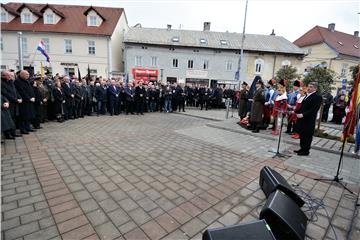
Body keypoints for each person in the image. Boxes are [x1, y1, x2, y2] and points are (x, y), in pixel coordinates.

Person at [294, 82, 323, 156]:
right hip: (302, 119)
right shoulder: (307, 95)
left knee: (307, 136)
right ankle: (302, 148)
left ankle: (306, 151)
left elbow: (314, 109)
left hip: (309, 120)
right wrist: (295, 111)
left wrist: (303, 114)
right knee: (302, 134)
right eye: (308, 86)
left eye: (311, 87)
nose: (308, 88)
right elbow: (303, 107)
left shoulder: (317, 97)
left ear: (315, 88)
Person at [14, 70, 36, 134]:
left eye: (28, 74)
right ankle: (23, 129)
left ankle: (28, 127)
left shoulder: (27, 81)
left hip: (29, 101)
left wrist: (33, 96)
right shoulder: (17, 81)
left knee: (28, 116)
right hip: (24, 102)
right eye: (26, 74)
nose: (28, 76)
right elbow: (22, 92)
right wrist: (29, 98)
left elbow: (31, 90)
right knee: (23, 116)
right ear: (22, 75)